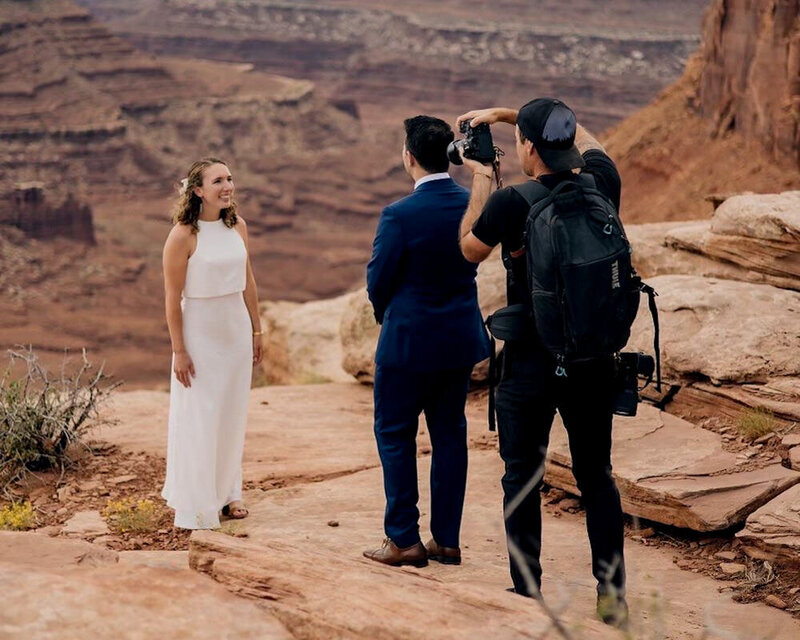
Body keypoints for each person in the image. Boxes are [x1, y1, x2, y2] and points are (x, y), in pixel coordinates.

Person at [455, 99, 629, 627]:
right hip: (593, 360)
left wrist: (482, 177)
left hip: (531, 361)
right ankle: (612, 595)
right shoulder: (601, 183)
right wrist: (514, 115)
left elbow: (467, 251)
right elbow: (595, 142)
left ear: (528, 148)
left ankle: (528, 589)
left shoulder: (512, 201)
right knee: (596, 475)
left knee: (521, 475)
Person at [363, 116, 491, 567]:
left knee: (395, 435)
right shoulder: (470, 204)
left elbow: (378, 280)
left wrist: (389, 316)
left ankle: (403, 539)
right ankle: (447, 540)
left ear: (408, 157)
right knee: (450, 436)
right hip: (457, 342)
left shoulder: (398, 215)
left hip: (407, 344)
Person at [161, 157, 264, 529]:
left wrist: (256, 329)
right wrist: (179, 350)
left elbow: (247, 279)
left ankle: (229, 492)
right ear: (198, 190)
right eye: (218, 180)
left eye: (230, 178)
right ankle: (200, 502)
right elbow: (172, 298)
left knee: (231, 413)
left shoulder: (238, 227)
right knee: (202, 415)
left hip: (234, 330)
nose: (227, 186)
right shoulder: (182, 235)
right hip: (199, 333)